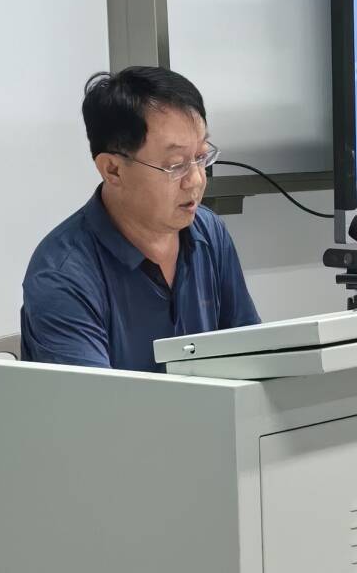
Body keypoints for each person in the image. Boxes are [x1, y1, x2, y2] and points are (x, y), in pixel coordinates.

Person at [20, 67, 259, 370]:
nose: (196, 180)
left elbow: (252, 356)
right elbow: (92, 398)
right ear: (113, 170)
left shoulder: (209, 232)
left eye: (200, 157)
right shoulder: (63, 274)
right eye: (176, 165)